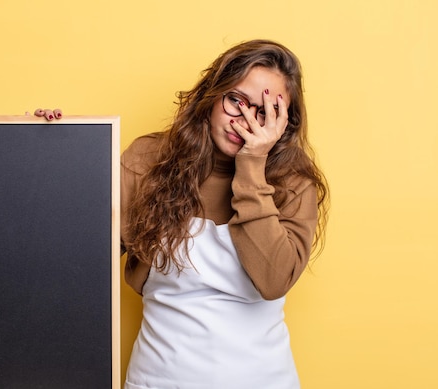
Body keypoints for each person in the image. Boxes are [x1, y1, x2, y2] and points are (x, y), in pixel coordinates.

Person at [37, 38, 329, 389]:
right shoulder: (148, 161)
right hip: (157, 381)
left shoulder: (295, 184)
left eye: (265, 111)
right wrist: (43, 148)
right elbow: (76, 261)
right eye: (237, 100)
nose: (247, 122)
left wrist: (252, 165)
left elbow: (273, 280)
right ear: (212, 96)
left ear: (284, 124)